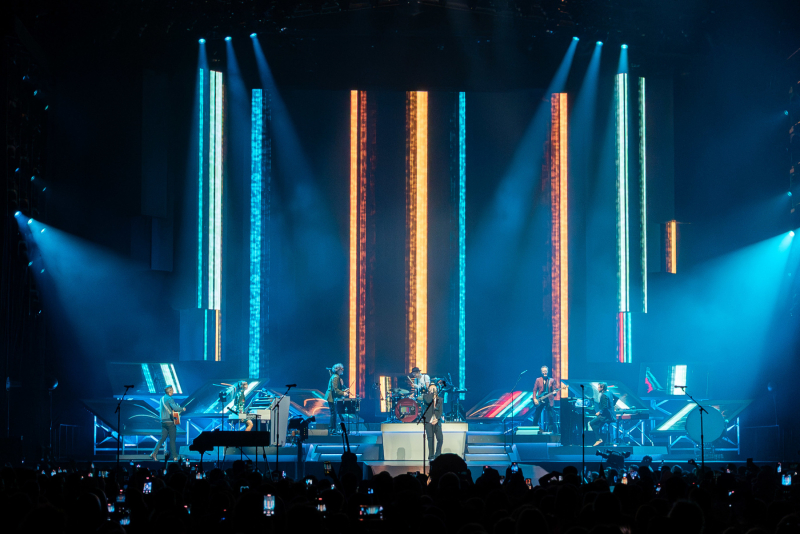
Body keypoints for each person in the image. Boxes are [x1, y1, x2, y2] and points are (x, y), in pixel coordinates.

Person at [149, 385, 185, 461]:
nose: (173, 392)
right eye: (172, 390)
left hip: (163, 421)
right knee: (172, 439)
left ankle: (154, 453)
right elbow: (175, 408)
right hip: (170, 421)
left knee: (162, 438)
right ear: (169, 391)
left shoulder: (162, 398)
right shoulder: (170, 398)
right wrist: (182, 409)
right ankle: (174, 456)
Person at [531, 365, 558, 433]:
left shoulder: (552, 380)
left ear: (547, 371)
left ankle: (551, 431)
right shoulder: (538, 380)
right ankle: (534, 428)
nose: (545, 372)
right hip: (540, 399)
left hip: (549, 400)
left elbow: (554, 391)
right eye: (543, 371)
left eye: (546, 371)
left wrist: (555, 393)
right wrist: (534, 398)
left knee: (550, 416)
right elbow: (534, 390)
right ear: (541, 372)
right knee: (537, 414)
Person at [422, 383, 444, 461]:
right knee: (430, 439)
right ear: (429, 390)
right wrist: (432, 394)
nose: (433, 390)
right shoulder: (425, 397)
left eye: (434, 389)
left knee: (440, 439)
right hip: (428, 421)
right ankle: (431, 456)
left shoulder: (440, 399)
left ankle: (437, 455)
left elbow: (440, 411)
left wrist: (437, 419)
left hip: (437, 421)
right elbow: (428, 401)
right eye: (431, 389)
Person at [326, 363, 349, 435]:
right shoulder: (336, 377)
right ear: (338, 369)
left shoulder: (336, 377)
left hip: (332, 397)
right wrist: (343, 393)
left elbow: (336, 389)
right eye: (342, 369)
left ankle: (333, 429)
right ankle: (332, 429)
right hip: (331, 397)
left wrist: (343, 391)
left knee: (334, 413)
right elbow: (335, 390)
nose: (343, 370)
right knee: (333, 413)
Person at [590, 382, 615, 446]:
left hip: (605, 416)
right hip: (610, 415)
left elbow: (604, 406)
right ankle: (599, 440)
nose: (598, 388)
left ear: (602, 388)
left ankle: (599, 439)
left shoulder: (604, 395)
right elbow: (616, 398)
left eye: (598, 387)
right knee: (596, 426)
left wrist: (599, 412)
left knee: (591, 423)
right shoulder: (609, 393)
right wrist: (612, 406)